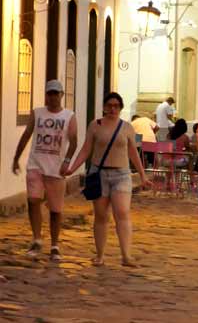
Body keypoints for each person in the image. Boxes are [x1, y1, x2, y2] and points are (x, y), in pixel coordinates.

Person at [67, 91, 149, 266]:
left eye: (116, 106)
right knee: (101, 215)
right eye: (109, 105)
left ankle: (126, 255)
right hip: (99, 174)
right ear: (104, 107)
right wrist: (72, 168)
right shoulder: (95, 126)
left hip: (121, 174)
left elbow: (133, 153)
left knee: (122, 212)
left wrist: (142, 175)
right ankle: (100, 255)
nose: (113, 109)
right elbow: (85, 150)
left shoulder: (127, 127)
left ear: (120, 108)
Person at [13, 79, 78, 261]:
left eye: (56, 93)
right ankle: (36, 239)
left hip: (56, 169)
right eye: (49, 93)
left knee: (55, 209)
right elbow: (27, 134)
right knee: (33, 200)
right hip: (36, 165)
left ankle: (55, 244)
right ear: (46, 95)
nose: (52, 97)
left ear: (61, 95)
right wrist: (16, 158)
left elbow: (73, 141)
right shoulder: (37, 113)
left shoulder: (69, 116)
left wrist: (67, 161)